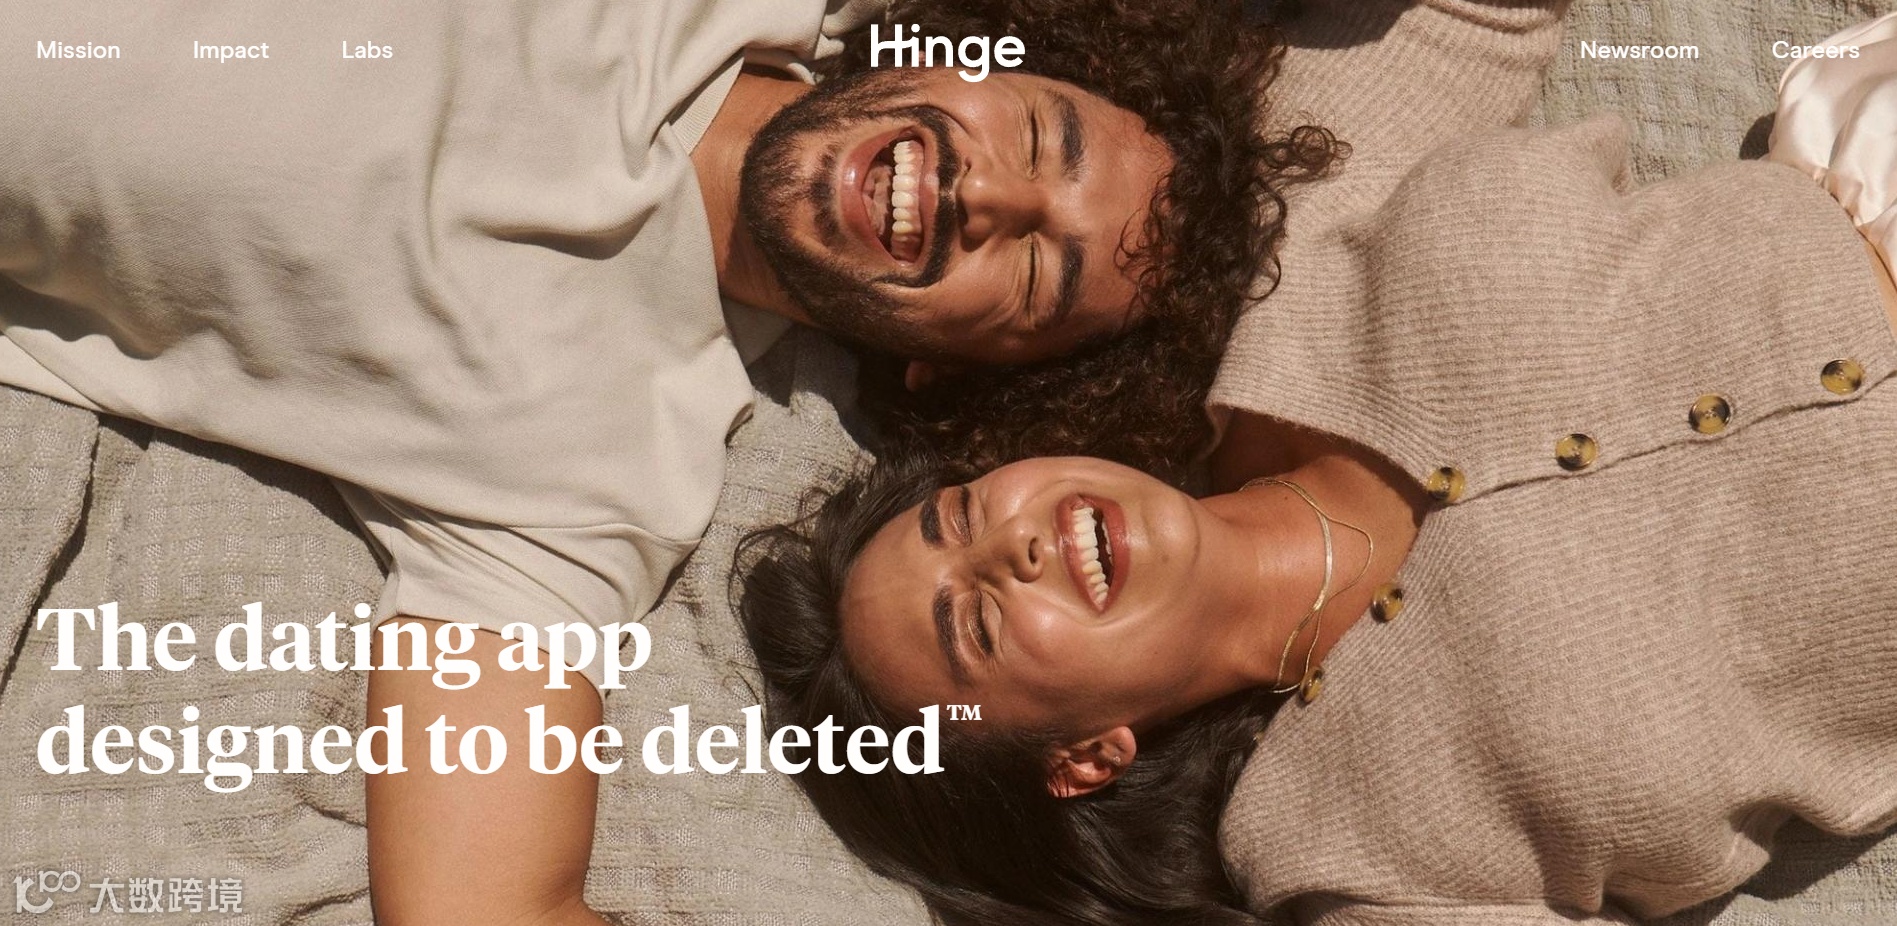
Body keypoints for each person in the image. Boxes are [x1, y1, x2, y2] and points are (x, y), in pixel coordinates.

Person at [1, 0, 1337, 923]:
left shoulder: (587, 470)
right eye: (1038, 134)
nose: (986, 192)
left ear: (957, 373)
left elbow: (479, 905)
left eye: (1033, 268)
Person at [738, 12, 1897, 926]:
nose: (1016, 543)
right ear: (1082, 757)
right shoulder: (1347, 849)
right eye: (979, 622)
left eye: (961, 517)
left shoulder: (1273, 258)